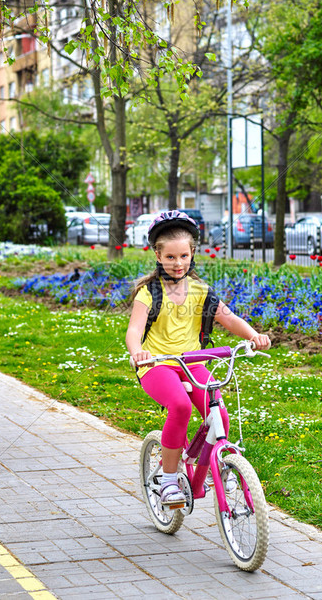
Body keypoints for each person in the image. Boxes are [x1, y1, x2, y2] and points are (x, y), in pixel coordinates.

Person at [125, 210, 271, 507]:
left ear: (192, 254)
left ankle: (206, 473)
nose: (177, 263)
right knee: (179, 406)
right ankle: (167, 480)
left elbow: (230, 321)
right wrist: (137, 352)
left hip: (193, 364)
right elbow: (134, 330)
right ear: (157, 255)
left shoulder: (202, 292)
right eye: (170, 257)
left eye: (183, 256)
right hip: (157, 365)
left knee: (220, 416)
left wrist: (253, 336)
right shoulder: (148, 293)